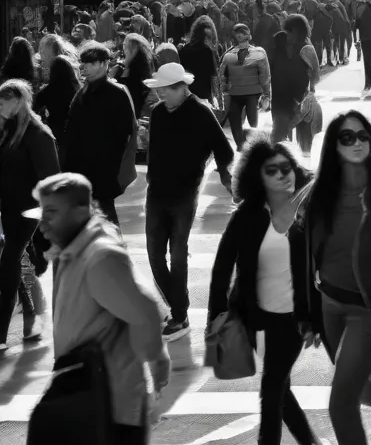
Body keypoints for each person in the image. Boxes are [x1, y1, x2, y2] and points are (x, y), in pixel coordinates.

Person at [290, 111, 371, 445]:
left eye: (363, 135)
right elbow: (302, 254)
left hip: (366, 310)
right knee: (360, 388)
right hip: (328, 305)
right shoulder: (317, 194)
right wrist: (306, 314)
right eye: (347, 137)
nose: (357, 142)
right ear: (333, 145)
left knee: (340, 403)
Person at [30, 172, 169, 444]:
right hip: (88, 397)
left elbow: (146, 315)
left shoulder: (99, 258)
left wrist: (157, 367)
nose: (42, 224)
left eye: (51, 212)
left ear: (80, 211)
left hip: (109, 408)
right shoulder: (72, 251)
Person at [207, 136, 320, 445]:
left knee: (271, 390)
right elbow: (221, 267)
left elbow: (321, 268)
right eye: (273, 170)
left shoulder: (308, 214)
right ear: (258, 175)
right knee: (279, 389)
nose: (283, 174)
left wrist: (317, 319)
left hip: (293, 321)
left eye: (287, 167)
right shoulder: (246, 216)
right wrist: (216, 315)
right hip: (257, 319)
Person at [144, 63, 233, 339]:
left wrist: (208, 168)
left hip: (184, 194)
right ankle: (178, 307)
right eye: (158, 90)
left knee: (178, 253)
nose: (160, 95)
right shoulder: (158, 114)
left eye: (165, 90)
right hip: (156, 193)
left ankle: (179, 317)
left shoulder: (201, 113)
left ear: (182, 88)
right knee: (155, 257)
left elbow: (225, 150)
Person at [0, 80, 59, 349]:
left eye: (4, 100)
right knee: (16, 262)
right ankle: (33, 319)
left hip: (28, 210)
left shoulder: (38, 134)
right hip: (10, 207)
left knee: (10, 260)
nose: (0, 104)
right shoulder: (9, 128)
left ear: (19, 101)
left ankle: (1, 332)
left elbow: (50, 180)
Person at [61, 41, 137, 228]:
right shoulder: (82, 93)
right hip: (82, 166)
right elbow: (71, 131)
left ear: (104, 63)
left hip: (105, 168)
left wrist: (111, 162)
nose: (85, 67)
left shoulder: (116, 92)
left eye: (91, 63)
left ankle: (115, 253)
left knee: (104, 213)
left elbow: (125, 132)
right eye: (84, 63)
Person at [270, 17, 321, 156]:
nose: (287, 34)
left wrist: (309, 91)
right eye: (286, 30)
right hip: (280, 99)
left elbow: (315, 75)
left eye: (290, 31)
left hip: (300, 100)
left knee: (304, 141)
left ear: (299, 31)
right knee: (279, 140)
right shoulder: (280, 44)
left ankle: (305, 166)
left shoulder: (307, 49)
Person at [220, 23, 273, 149]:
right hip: (251, 93)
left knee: (235, 118)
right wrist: (267, 93)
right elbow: (265, 76)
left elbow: (222, 74)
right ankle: (248, 145)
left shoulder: (228, 55)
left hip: (236, 93)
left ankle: (242, 144)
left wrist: (224, 90)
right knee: (250, 119)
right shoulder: (259, 53)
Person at [33, 55, 80, 149]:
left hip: (54, 129)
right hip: (74, 130)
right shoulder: (77, 89)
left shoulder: (48, 91)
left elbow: (33, 107)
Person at [178, 16, 221, 106]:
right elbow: (213, 73)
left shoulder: (184, 49)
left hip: (188, 91)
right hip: (204, 92)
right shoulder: (208, 50)